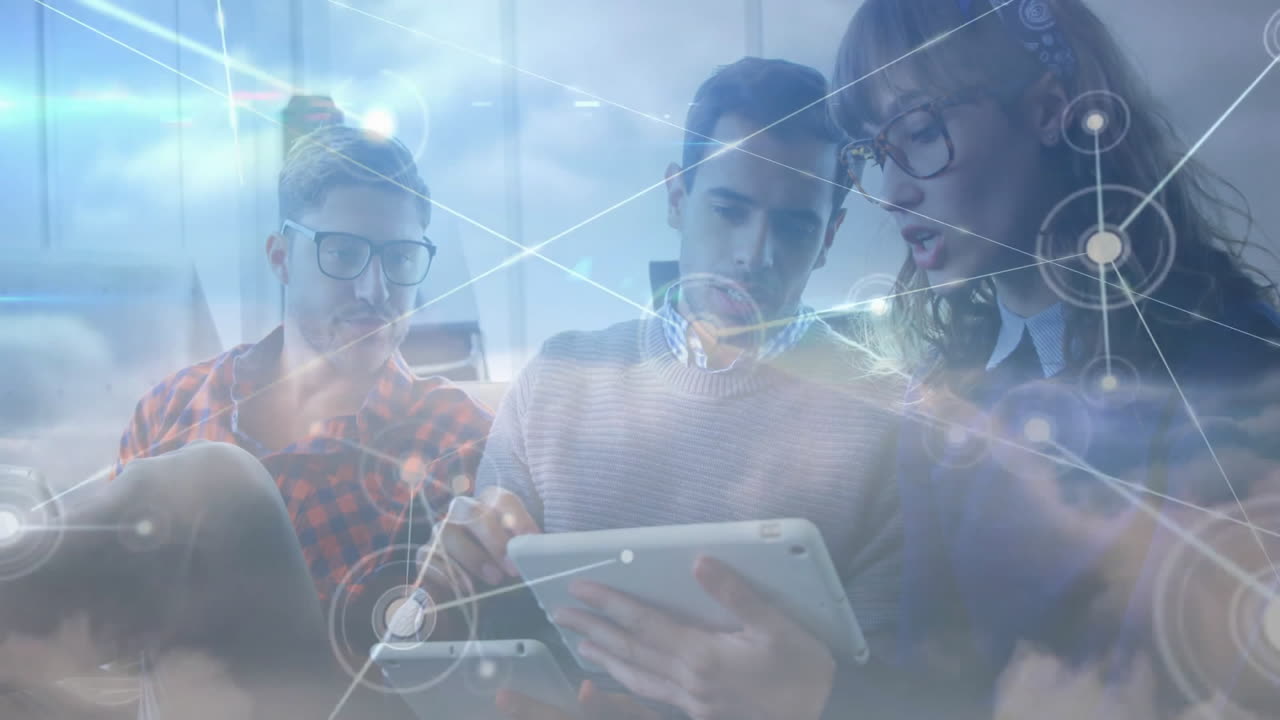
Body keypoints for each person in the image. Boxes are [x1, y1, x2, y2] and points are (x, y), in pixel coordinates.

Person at [831, 0, 1280, 716]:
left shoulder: (1232, 362)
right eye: (872, 152)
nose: (895, 192)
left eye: (919, 131)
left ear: (1048, 111)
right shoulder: (939, 402)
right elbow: (928, 675)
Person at [432, 57, 906, 720]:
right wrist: (451, 581)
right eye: (729, 209)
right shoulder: (557, 381)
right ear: (677, 198)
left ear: (828, 236)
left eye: (794, 225)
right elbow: (481, 627)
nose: (756, 253)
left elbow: (908, 693)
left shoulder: (889, 423)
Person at [0, 125, 492, 719]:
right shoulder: (174, 407)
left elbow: (455, 668)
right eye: (342, 253)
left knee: (214, 483)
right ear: (281, 259)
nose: (375, 288)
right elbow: (109, 643)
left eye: (402, 258)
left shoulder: (457, 436)